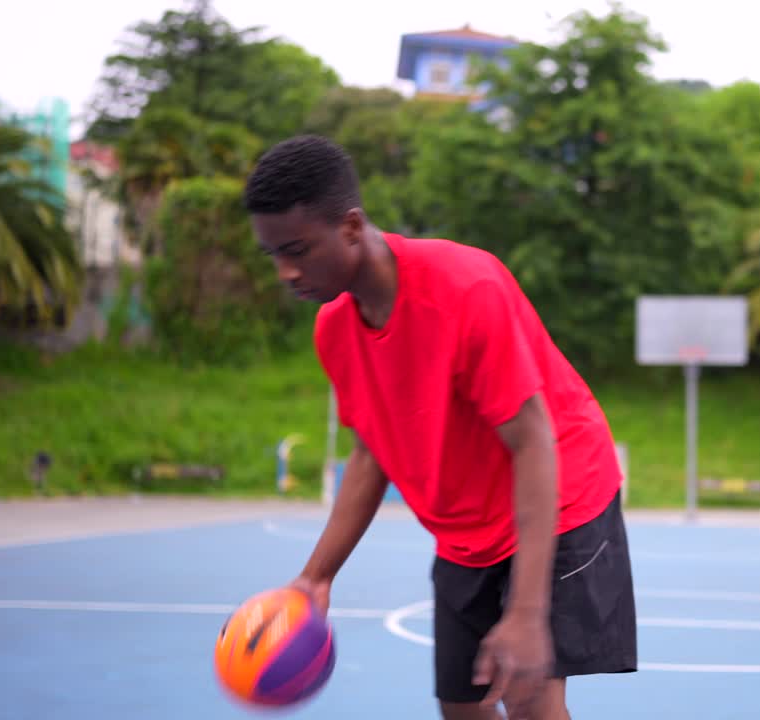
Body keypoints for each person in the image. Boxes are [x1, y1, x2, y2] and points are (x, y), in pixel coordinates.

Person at [243, 135, 637, 720]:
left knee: (529, 695)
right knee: (463, 706)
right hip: (467, 528)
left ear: (351, 226)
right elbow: (370, 453)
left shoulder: (464, 290)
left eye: (297, 249)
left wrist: (527, 613)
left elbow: (533, 444)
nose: (285, 271)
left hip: (562, 494)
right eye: (273, 254)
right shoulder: (335, 329)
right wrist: (315, 578)